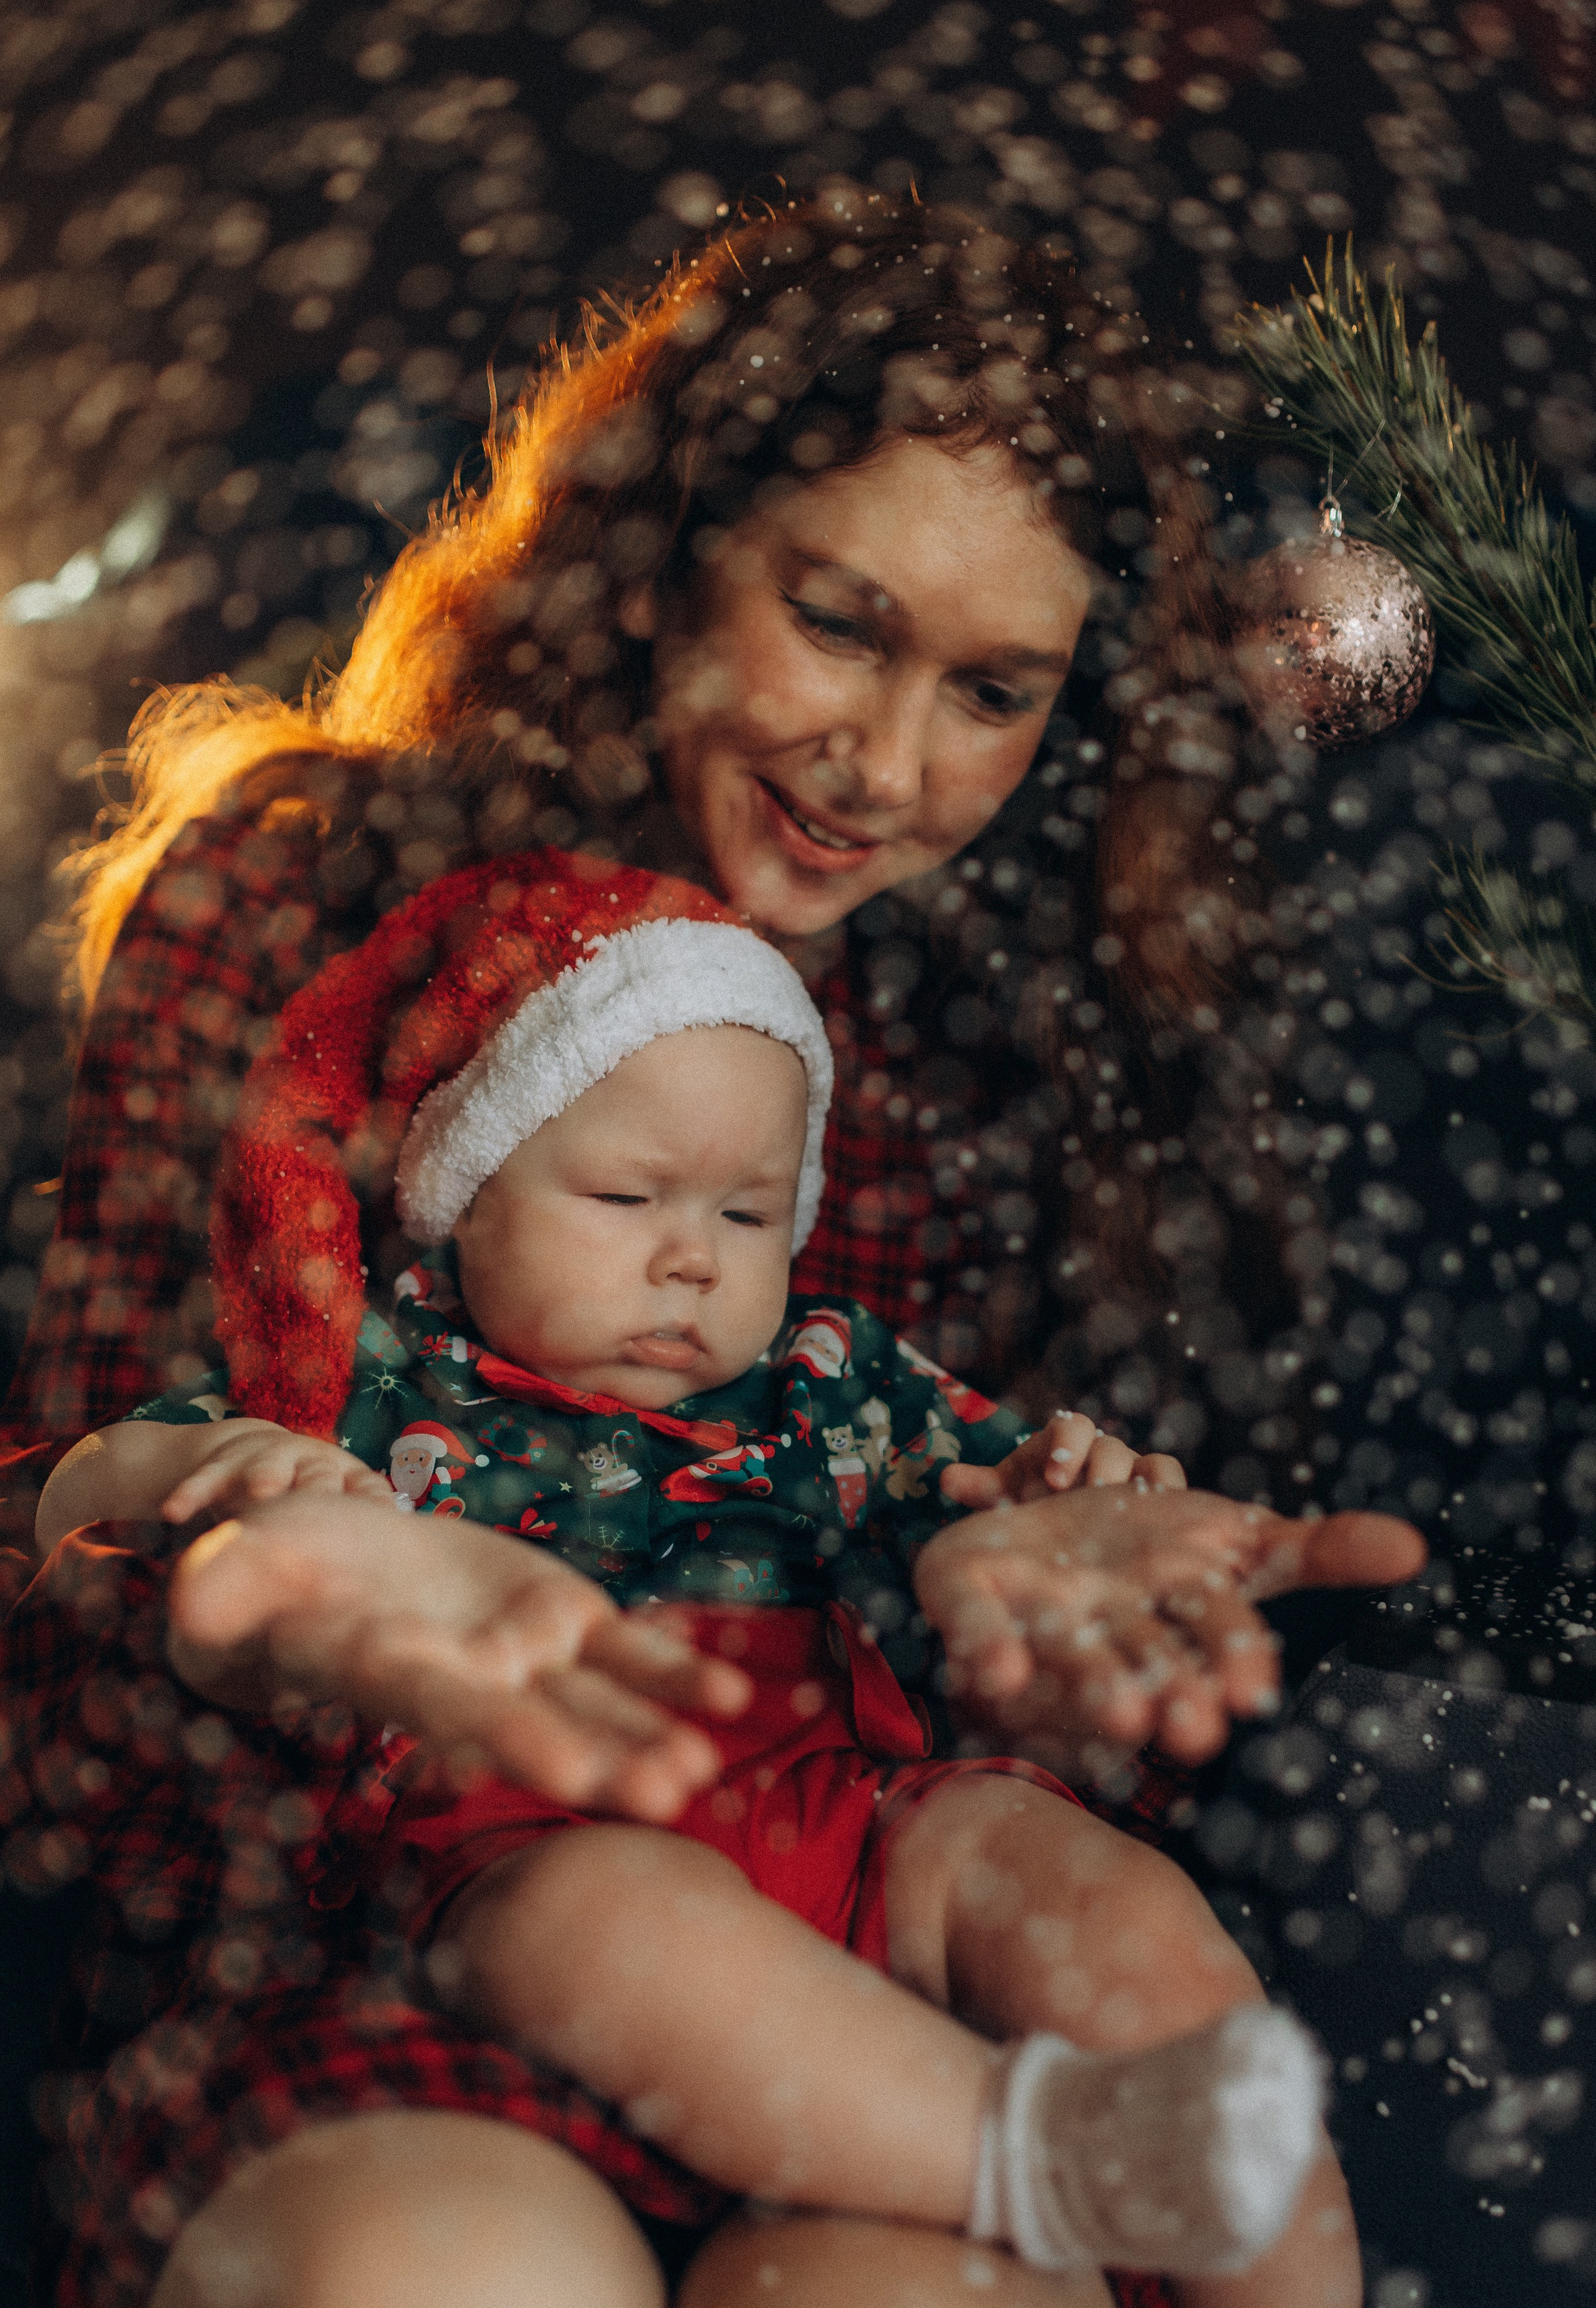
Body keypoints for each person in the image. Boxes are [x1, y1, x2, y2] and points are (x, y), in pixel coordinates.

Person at [2, 192, 1420, 2308]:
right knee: (453, 2278)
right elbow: (78, 1536)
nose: (887, 764)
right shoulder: (308, 909)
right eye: (839, 621)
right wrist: (268, 1614)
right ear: (664, 560)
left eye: (994, 689)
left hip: (839, 1953)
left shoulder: (1010, 1053)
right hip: (362, 1938)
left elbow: (933, 1592)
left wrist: (984, 1599)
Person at [37, 854, 1355, 2306]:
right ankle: (1021, 2153)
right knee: (597, 1919)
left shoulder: (829, 1377)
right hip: (537, 1834)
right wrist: (223, 1468)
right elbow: (92, 1477)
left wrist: (1055, 1501)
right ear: (463, 1191)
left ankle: (1271, 2263)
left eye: (745, 1217)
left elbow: (987, 1496)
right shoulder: (370, 1373)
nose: (688, 1262)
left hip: (839, 1828)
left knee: (1097, 1900)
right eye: (625, 1194)